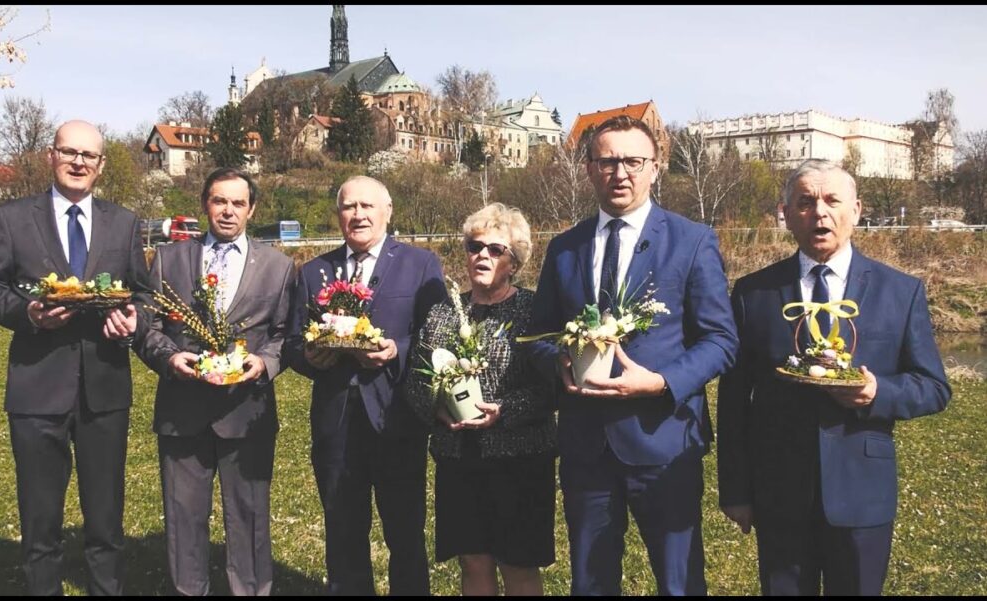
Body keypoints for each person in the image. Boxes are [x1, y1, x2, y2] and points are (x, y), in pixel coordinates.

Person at [524, 116, 739, 595]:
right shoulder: (564, 248)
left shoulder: (692, 240)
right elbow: (538, 336)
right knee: (592, 580)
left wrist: (663, 383)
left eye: (633, 161)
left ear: (656, 168)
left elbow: (721, 341)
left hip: (663, 439)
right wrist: (557, 363)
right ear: (588, 170)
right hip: (586, 445)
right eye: (607, 161)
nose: (620, 172)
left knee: (678, 579)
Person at [717, 159, 950, 595]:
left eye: (831, 201)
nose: (819, 213)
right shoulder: (753, 293)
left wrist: (877, 391)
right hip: (780, 493)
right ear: (785, 213)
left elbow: (934, 387)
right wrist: (735, 490)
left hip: (862, 493)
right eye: (805, 202)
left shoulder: (900, 292)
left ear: (856, 210)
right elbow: (733, 400)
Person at [0, 120, 151, 595]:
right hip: (36, 388)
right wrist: (28, 312)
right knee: (40, 518)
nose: (78, 162)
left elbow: (146, 297)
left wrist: (133, 320)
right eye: (69, 152)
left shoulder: (125, 222)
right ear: (50, 156)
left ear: (101, 165)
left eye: (88, 155)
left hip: (105, 389)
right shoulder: (13, 219)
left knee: (106, 518)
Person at [136, 167, 296, 596]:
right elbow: (145, 327)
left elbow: (286, 335)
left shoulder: (279, 267)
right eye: (219, 201)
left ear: (252, 209)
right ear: (205, 204)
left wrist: (264, 364)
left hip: (247, 411)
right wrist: (170, 358)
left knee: (249, 517)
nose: (228, 211)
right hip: (182, 408)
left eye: (238, 203)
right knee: (183, 516)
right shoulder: (170, 259)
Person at [285, 175, 446, 595]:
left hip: (396, 419)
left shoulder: (420, 264)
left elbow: (437, 336)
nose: (357, 215)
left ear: (387, 212)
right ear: (338, 215)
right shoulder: (314, 272)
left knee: (405, 534)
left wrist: (397, 350)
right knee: (342, 531)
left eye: (366, 206)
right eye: (348, 207)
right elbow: (290, 341)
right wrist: (309, 357)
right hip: (336, 424)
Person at [407, 203, 556, 595]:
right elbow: (415, 381)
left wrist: (505, 411)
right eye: (474, 247)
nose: (482, 256)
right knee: (473, 562)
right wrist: (436, 407)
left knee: (518, 564)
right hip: (459, 457)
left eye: (495, 249)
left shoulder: (533, 310)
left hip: (520, 459)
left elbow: (552, 386)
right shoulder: (443, 314)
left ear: (516, 260)